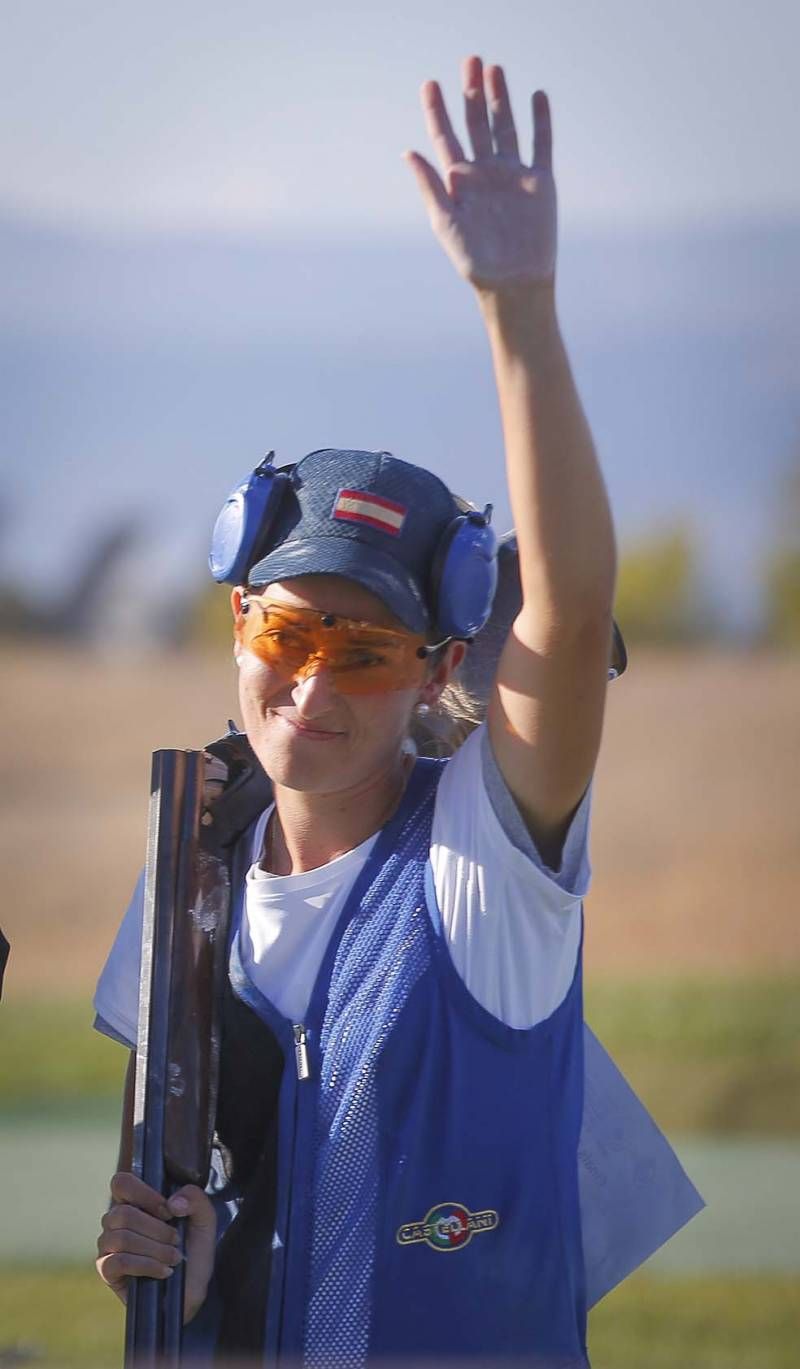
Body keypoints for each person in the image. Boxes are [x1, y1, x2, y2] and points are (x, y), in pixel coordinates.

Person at [92, 57, 654, 1367]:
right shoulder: (190, 870)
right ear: (237, 625)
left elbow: (567, 624)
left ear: (438, 662)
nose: (310, 683)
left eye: (365, 649)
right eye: (286, 632)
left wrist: (521, 311)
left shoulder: (482, 868)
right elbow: (237, 1183)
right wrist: (176, 1242)